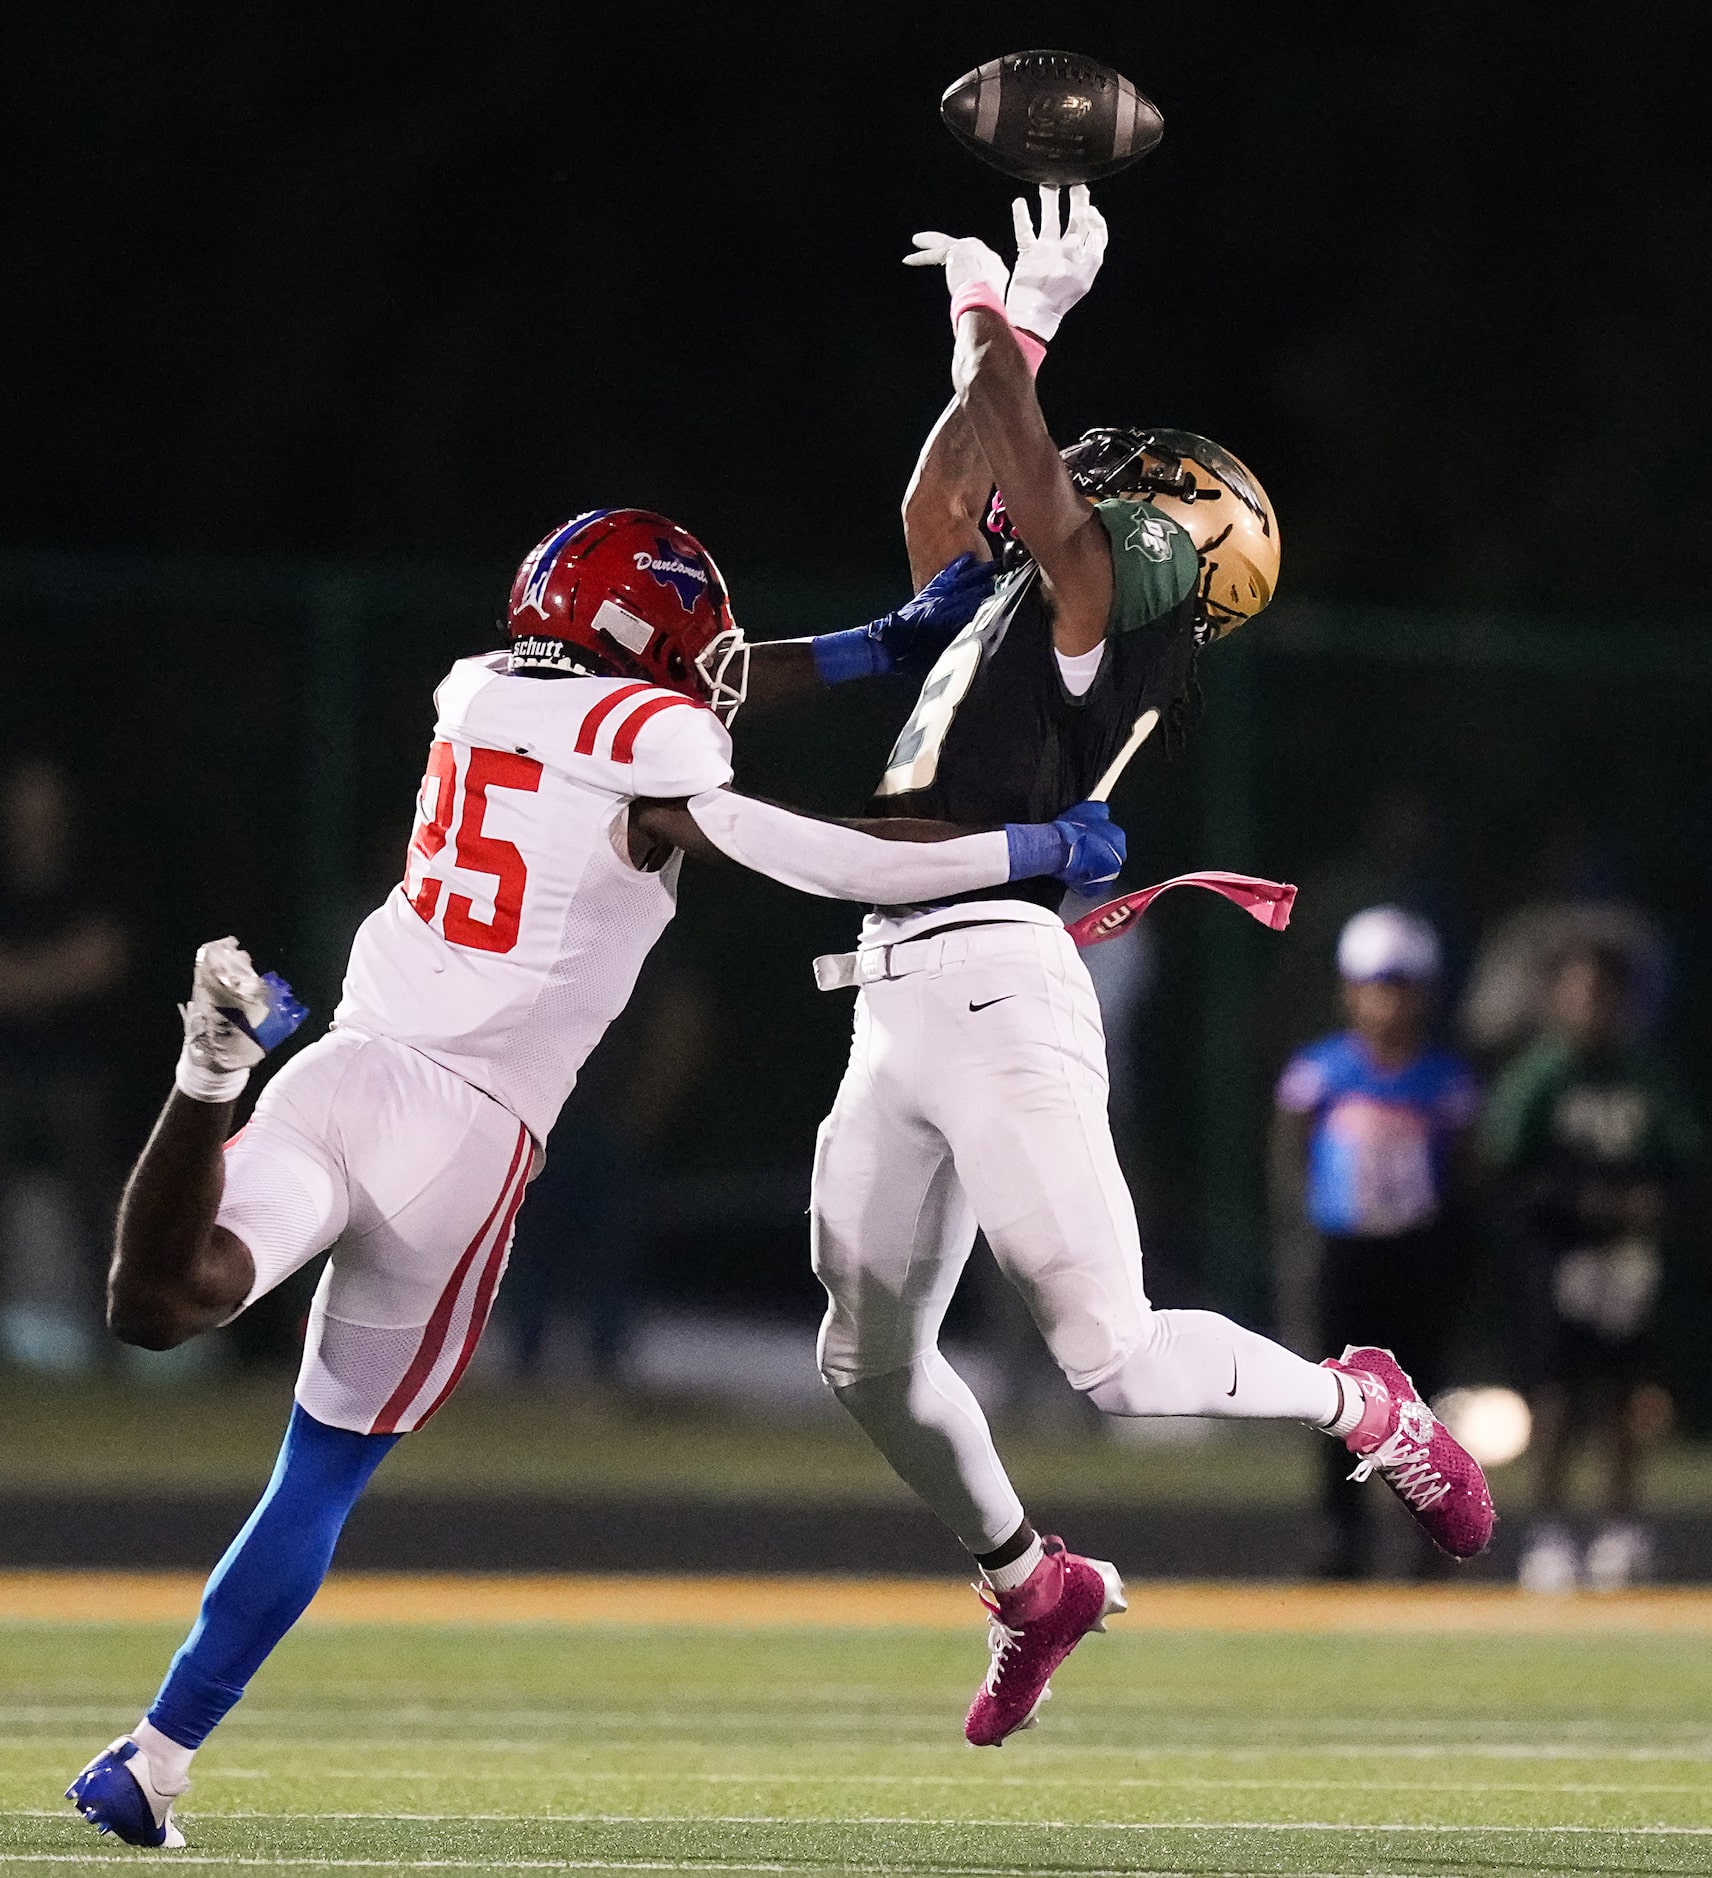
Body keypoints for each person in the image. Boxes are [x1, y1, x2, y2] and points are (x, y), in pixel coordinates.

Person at [66, 507, 1127, 1849]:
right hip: (467, 1137)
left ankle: (208, 1069)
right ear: (658, 643)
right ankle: (156, 1756)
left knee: (165, 1300)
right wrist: (1028, 853)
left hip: (344, 1065)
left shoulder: (481, 687)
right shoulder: (659, 743)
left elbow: (698, 681)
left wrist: (878, 647)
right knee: (318, 1474)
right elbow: (823, 852)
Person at [806, 188, 1495, 1750]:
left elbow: (1041, 490)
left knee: (1108, 1350)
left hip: (990, 976)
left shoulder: (1113, 611)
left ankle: (1366, 1405)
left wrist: (1010, 332)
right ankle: (1030, 1580)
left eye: (1129, 486)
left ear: (1179, 530)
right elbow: (940, 513)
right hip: (900, 977)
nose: (1094, 482)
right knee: (863, 1353)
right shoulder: (1023, 600)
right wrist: (1002, 335)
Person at [1485, 939, 1702, 1592]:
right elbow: (1503, 1165)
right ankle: (1548, 1531)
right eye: (1579, 992)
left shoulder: (1644, 1077)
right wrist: (1575, 1203)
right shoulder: (1540, 1076)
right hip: (1561, 1256)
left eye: (1603, 994)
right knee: (1553, 1394)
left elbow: (1683, 1160)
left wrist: (1648, 1205)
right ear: (1557, 999)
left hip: (1626, 1259)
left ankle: (1620, 1526)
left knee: (1624, 1395)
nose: (1591, 1007)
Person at [1271, 907, 1482, 1578]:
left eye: (1401, 986)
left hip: (1416, 1255)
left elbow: (1465, 1171)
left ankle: (1427, 1528)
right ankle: (1339, 1530)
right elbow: (1290, 1155)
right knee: (1340, 1398)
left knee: (1422, 1397)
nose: (1387, 1002)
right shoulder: (1322, 1072)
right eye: (1374, 985)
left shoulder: (1444, 1081)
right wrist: (1305, 1230)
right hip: (1345, 1253)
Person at [0, 758, 131, 1371]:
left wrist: (29, 977)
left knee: (95, 1210)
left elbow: (104, 961)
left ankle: (120, 1342)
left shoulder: (88, 880)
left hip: (76, 1074)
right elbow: (73, 967)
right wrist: (59, 972)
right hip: (9, 1070)